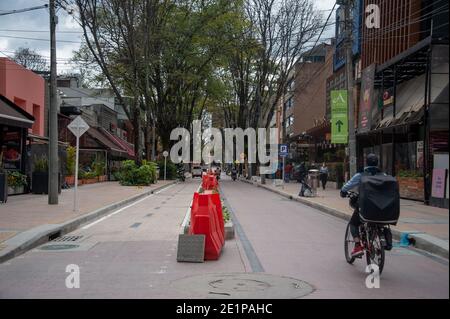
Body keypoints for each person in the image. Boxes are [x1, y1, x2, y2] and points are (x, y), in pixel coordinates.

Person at [340, 153, 386, 257]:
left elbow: (346, 187)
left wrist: (343, 192)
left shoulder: (361, 175)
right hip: (382, 207)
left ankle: (358, 246)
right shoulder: (383, 175)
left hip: (365, 206)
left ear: (366, 162)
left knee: (353, 223)